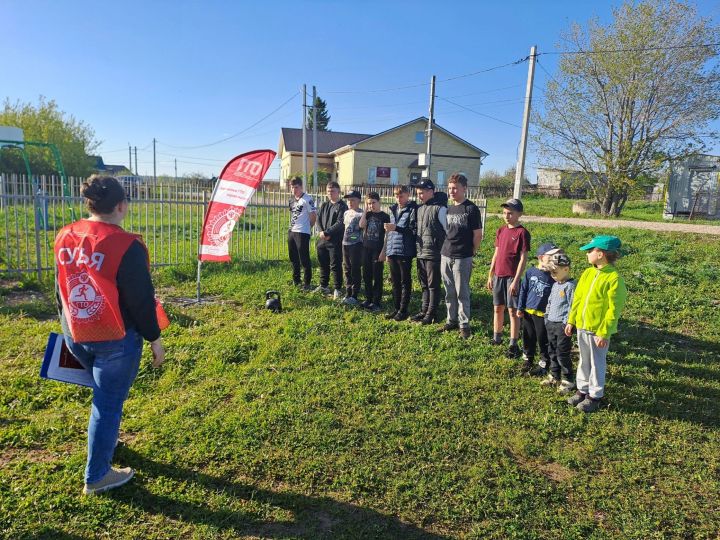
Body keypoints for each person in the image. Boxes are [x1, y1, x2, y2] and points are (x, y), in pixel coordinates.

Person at [54, 175, 166, 495]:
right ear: (121, 205)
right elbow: (141, 300)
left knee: (105, 397)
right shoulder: (125, 244)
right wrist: (154, 339)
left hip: (76, 331)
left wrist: (65, 323)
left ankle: (108, 439)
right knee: (108, 402)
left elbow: (60, 285)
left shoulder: (65, 235)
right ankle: (98, 475)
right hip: (115, 339)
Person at [565, 235, 627, 413]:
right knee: (584, 360)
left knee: (597, 362)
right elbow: (577, 299)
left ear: (601, 254)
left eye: (590, 251)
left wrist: (604, 332)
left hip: (597, 331)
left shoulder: (614, 279)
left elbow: (613, 310)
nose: (587, 254)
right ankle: (582, 390)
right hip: (582, 326)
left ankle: (595, 396)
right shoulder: (588, 273)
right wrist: (571, 320)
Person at [438, 173, 482, 339]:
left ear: (464, 188)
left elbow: (477, 234)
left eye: (455, 188)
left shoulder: (471, 209)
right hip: (446, 254)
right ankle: (451, 320)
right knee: (449, 291)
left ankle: (464, 325)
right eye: (450, 188)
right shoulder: (449, 209)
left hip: (462, 257)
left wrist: (471, 252)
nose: (452, 191)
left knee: (462, 292)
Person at [486, 198, 530, 359]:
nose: (507, 216)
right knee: (498, 307)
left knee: (512, 311)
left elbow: (523, 258)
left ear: (519, 214)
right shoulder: (501, 231)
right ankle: (496, 337)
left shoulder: (522, 233)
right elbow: (496, 254)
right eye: (504, 213)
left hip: (512, 277)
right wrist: (490, 274)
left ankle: (513, 342)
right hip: (498, 275)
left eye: (510, 213)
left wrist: (516, 280)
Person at [517, 242, 558, 373]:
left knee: (543, 339)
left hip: (543, 314)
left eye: (556, 256)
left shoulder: (555, 276)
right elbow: (523, 290)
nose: (554, 259)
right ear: (541, 257)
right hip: (529, 312)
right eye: (550, 256)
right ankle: (527, 359)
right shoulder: (531, 272)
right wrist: (520, 307)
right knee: (528, 336)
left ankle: (544, 363)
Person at [412, 179, 447, 325]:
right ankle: (424, 310)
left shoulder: (440, 209)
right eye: (418, 193)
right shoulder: (419, 209)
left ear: (431, 192)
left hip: (434, 253)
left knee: (433, 285)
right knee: (424, 284)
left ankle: (431, 313)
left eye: (422, 193)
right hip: (420, 252)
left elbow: (448, 232)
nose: (419, 196)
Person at [380, 186, 418, 321]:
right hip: (392, 249)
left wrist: (396, 228)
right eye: (396, 195)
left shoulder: (413, 209)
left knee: (404, 281)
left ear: (408, 195)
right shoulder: (393, 209)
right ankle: (396, 308)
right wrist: (386, 250)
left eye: (401, 195)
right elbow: (389, 233)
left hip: (404, 251)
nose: (398, 198)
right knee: (395, 282)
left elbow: (413, 231)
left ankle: (403, 310)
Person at [542, 251, 576, 395]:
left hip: (562, 326)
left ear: (566, 269)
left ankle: (568, 380)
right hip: (551, 323)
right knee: (552, 351)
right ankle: (554, 375)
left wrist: (568, 322)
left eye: (555, 272)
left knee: (562, 353)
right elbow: (550, 302)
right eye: (551, 272)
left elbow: (573, 305)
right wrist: (547, 316)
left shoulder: (570, 286)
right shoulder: (556, 285)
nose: (552, 275)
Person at [314, 181, 347, 298]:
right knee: (323, 263)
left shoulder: (342, 206)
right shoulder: (324, 205)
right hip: (322, 240)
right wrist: (321, 232)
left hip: (335, 241)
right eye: (328, 191)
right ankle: (324, 285)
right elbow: (318, 219)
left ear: (338, 192)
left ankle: (338, 288)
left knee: (335, 265)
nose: (330, 193)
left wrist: (327, 232)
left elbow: (340, 223)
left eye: (332, 191)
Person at [359, 192, 390, 312]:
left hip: (378, 250)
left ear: (379, 202)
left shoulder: (385, 216)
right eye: (368, 203)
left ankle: (376, 302)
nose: (371, 205)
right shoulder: (368, 215)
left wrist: (384, 251)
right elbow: (361, 225)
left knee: (377, 276)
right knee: (366, 275)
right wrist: (365, 211)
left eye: (373, 203)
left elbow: (387, 236)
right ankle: (368, 299)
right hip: (366, 249)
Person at [288, 177, 317, 290]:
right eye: (292, 187)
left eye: (296, 187)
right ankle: (296, 280)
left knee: (304, 258)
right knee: (293, 257)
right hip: (291, 231)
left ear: (301, 187)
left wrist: (308, 228)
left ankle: (307, 283)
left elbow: (313, 216)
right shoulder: (291, 200)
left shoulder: (307, 199)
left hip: (302, 232)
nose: (294, 190)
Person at [341, 190, 364, 306]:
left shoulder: (361, 214)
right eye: (349, 200)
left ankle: (355, 294)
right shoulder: (346, 213)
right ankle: (348, 291)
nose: (350, 202)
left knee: (355, 269)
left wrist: (353, 237)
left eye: (353, 200)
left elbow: (361, 230)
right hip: (345, 244)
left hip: (356, 245)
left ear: (359, 200)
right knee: (346, 269)